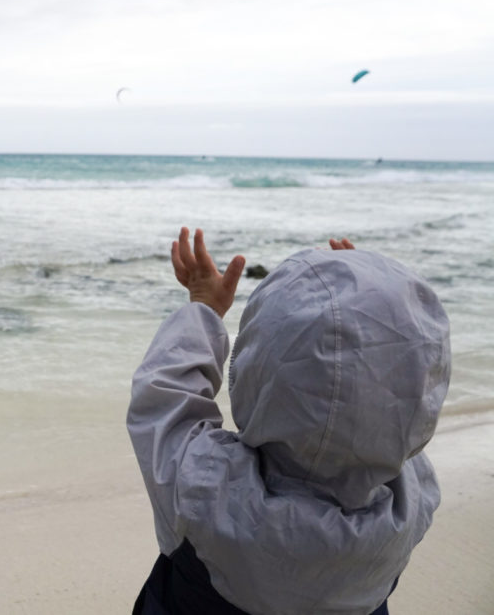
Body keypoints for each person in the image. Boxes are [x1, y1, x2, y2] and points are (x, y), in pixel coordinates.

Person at [127, 227, 451, 615]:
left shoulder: (202, 490)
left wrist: (204, 308)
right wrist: (380, 306)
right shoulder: (410, 502)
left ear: (253, 369)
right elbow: (399, 398)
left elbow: (163, 395)